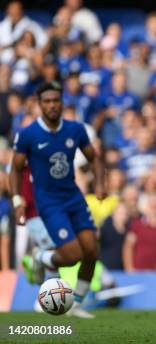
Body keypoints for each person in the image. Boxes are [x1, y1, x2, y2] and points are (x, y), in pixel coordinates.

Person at [10, 81, 105, 318]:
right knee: (73, 256)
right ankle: (41, 257)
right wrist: (17, 201)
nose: (52, 105)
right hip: (49, 203)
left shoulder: (76, 130)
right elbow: (14, 169)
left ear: (62, 103)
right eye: (47, 101)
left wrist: (101, 184)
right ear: (40, 104)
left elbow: (95, 158)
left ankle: (77, 304)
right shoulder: (28, 134)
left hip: (73, 198)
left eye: (56, 101)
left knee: (92, 251)